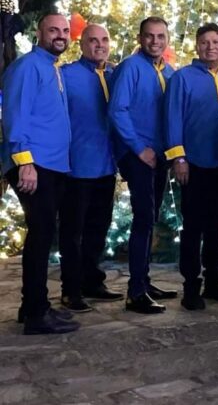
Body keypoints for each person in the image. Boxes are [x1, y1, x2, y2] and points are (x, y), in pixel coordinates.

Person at [1, 13, 79, 335]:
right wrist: (25, 162)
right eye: (53, 30)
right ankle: (36, 314)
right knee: (40, 235)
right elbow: (15, 115)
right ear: (39, 32)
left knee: (43, 235)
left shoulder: (51, 67)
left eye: (65, 31)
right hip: (35, 165)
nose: (60, 35)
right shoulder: (27, 67)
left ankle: (34, 306)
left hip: (53, 164)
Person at [164, 23, 218, 311]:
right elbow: (172, 118)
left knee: (216, 227)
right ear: (197, 46)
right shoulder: (182, 78)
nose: (211, 47)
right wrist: (179, 158)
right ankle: (191, 287)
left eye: (216, 42)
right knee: (193, 228)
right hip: (193, 164)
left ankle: (213, 282)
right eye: (205, 42)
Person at [108, 16, 176, 314]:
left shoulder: (169, 72)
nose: (155, 41)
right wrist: (138, 148)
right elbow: (117, 110)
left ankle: (145, 282)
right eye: (149, 36)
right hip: (137, 155)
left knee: (151, 216)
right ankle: (135, 291)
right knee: (144, 218)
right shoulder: (130, 67)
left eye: (160, 36)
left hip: (159, 155)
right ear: (140, 38)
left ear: (167, 39)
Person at [59, 24, 121, 314]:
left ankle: (92, 281)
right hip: (76, 168)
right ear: (81, 44)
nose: (99, 45)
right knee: (73, 232)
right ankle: (70, 290)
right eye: (93, 40)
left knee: (98, 228)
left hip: (107, 166)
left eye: (104, 40)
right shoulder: (66, 75)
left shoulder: (115, 75)